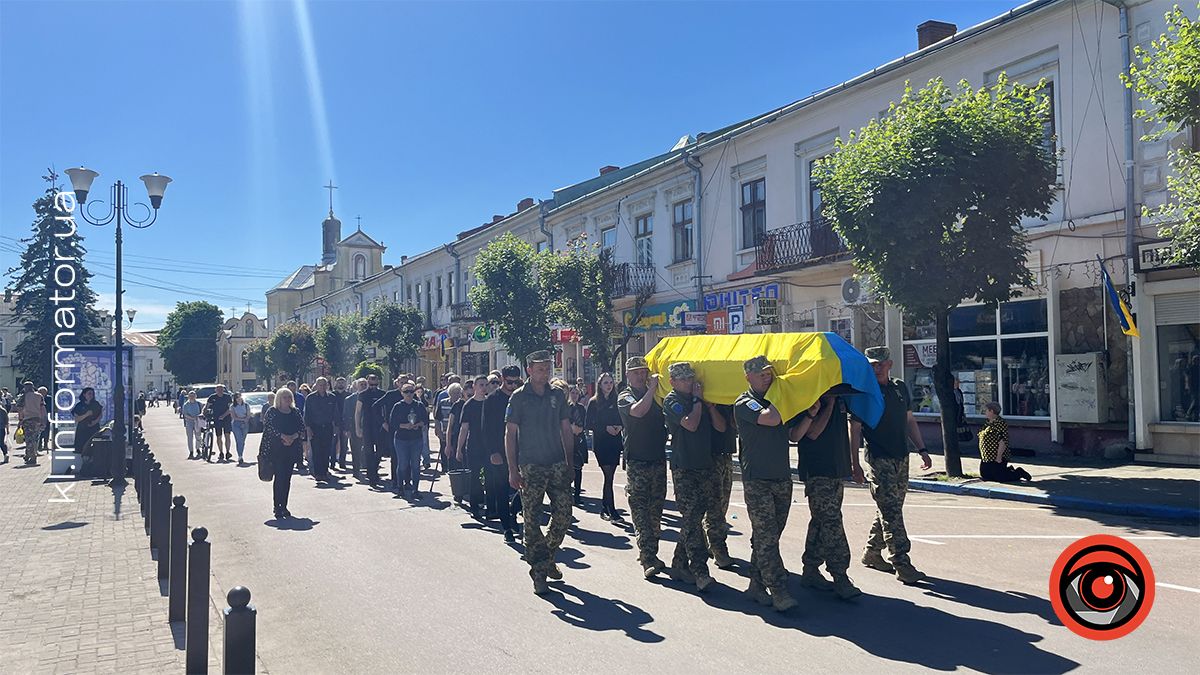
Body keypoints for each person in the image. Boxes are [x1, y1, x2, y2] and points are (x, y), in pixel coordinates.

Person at [735, 355, 816, 612]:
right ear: (748, 376)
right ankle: (778, 590)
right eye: (761, 373)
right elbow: (770, 419)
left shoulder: (777, 401)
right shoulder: (744, 402)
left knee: (769, 535)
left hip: (781, 477)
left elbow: (793, 435)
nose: (766, 376)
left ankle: (756, 584)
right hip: (757, 479)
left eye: (769, 372)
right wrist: (783, 392)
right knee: (767, 537)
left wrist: (810, 416)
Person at [849, 346, 932, 586]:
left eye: (880, 364)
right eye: (872, 364)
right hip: (879, 458)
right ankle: (901, 562)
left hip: (901, 456)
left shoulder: (899, 388)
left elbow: (909, 421)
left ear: (890, 364)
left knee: (890, 508)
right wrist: (854, 464)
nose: (876, 368)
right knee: (892, 511)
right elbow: (854, 430)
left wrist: (922, 449)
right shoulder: (863, 392)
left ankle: (872, 552)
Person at [506, 351, 574, 595]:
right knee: (532, 519)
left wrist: (570, 462)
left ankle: (545, 558)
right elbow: (510, 434)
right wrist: (512, 469)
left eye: (547, 369)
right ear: (529, 370)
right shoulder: (519, 397)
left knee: (564, 515)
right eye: (540, 369)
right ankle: (540, 571)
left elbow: (565, 428)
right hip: (531, 464)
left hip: (556, 462)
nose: (545, 373)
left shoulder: (557, 395)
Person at [797, 389, 863, 600]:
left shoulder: (841, 398)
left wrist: (853, 464)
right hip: (817, 470)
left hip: (836, 468)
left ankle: (810, 569)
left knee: (821, 521)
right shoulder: (809, 398)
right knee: (832, 522)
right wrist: (830, 405)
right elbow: (812, 433)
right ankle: (840, 575)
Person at [662, 362, 723, 592]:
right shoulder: (672, 401)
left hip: (704, 466)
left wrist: (710, 405)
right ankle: (700, 572)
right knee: (691, 520)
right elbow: (690, 424)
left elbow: (720, 427)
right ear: (673, 382)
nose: (689, 383)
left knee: (693, 519)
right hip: (684, 468)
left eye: (690, 378)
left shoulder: (700, 400)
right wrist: (698, 401)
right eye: (684, 379)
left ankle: (678, 564)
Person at [617, 356, 669, 579]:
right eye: (636, 372)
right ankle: (647, 558)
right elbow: (638, 411)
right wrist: (652, 390)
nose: (641, 375)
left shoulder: (656, 394)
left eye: (643, 371)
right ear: (628, 375)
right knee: (640, 511)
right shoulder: (625, 395)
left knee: (656, 510)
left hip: (657, 458)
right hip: (637, 461)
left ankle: (651, 553)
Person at [483, 366, 521, 541]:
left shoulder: (522, 397)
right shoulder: (492, 399)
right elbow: (486, 428)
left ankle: (513, 512)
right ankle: (506, 528)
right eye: (509, 382)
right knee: (501, 489)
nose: (513, 385)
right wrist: (492, 452)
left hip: (522, 450)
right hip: (499, 450)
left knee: (524, 487)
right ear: (503, 380)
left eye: (516, 382)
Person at [585, 372, 624, 522]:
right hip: (602, 442)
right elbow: (588, 424)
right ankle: (611, 510)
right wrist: (604, 428)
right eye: (606, 383)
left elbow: (623, 417)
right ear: (600, 385)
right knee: (608, 476)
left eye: (610, 382)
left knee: (610, 477)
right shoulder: (594, 402)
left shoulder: (617, 400)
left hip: (614, 442)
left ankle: (604, 507)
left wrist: (619, 426)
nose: (609, 385)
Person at [264, 387, 305, 519]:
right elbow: (269, 428)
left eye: (289, 397)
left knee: (287, 479)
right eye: (285, 397)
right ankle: (277, 506)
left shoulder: (295, 412)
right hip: (276, 450)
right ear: (279, 399)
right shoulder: (272, 412)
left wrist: (293, 437)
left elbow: (301, 427)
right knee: (279, 478)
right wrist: (282, 436)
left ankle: (284, 506)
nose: (287, 399)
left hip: (291, 449)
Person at [705, 402, 737, 569]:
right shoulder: (709, 401)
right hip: (712, 456)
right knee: (715, 508)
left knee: (722, 504)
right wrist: (712, 407)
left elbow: (734, 424)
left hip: (726, 455)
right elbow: (721, 427)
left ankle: (709, 544)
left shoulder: (730, 401)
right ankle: (718, 549)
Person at [456, 376, 490, 514]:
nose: (484, 387)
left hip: (489, 446)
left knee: (490, 476)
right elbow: (464, 428)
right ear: (474, 386)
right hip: (474, 445)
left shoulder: (490, 403)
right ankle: (474, 505)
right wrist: (459, 449)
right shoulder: (468, 405)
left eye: (486, 385)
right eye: (481, 385)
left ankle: (491, 506)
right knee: (475, 477)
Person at [386, 382, 427, 495]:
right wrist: (405, 426)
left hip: (416, 439)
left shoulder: (419, 405)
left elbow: (425, 420)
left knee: (415, 464)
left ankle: (415, 489)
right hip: (401, 439)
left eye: (411, 391)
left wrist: (418, 425)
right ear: (402, 393)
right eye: (406, 392)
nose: (409, 394)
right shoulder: (398, 406)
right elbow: (392, 423)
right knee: (402, 464)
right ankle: (400, 488)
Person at [977, 402, 1032, 482]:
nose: (985, 412)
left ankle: (1018, 472)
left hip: (997, 456)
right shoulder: (987, 423)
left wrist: (999, 457)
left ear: (991, 411)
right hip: (986, 456)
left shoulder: (1000, 423)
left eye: (986, 410)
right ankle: (1008, 470)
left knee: (1000, 478)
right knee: (986, 475)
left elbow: (1003, 441)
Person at [304, 377, 341, 482]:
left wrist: (336, 427)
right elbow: (307, 414)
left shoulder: (332, 397)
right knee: (316, 451)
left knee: (326, 451)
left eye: (324, 385)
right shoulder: (310, 398)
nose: (322, 387)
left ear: (327, 386)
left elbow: (336, 413)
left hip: (328, 427)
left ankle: (324, 472)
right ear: (316, 385)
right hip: (315, 428)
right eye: (320, 385)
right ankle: (318, 473)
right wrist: (308, 428)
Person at [372, 376, 406, 486]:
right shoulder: (391, 395)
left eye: (406, 382)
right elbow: (375, 406)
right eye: (401, 382)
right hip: (390, 429)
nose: (403, 384)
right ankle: (380, 477)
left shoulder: (410, 394)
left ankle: (405, 480)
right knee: (388, 454)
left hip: (406, 430)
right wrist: (383, 422)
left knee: (405, 456)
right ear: (397, 383)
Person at [355, 373, 387, 483]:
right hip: (367, 426)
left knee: (380, 450)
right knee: (368, 451)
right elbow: (358, 412)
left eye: (375, 384)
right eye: (371, 384)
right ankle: (371, 473)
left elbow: (386, 410)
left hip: (379, 426)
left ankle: (373, 468)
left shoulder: (382, 394)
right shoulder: (363, 394)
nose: (373, 386)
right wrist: (357, 427)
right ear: (368, 383)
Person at [567, 385, 589, 505]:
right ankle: (568, 494)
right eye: (572, 393)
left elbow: (585, 422)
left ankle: (577, 495)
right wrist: (571, 428)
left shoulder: (581, 408)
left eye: (576, 393)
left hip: (579, 438)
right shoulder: (566, 407)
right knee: (569, 467)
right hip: (569, 438)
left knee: (579, 468)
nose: (574, 395)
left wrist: (580, 429)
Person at [14, 382, 45, 464]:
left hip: (27, 420)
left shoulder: (23, 397)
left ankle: (32, 457)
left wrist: (20, 421)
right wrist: (43, 420)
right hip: (37, 419)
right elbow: (43, 409)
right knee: (35, 439)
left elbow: (20, 409)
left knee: (29, 439)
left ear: (25, 388)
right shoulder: (39, 396)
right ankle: (28, 454)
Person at [204, 384, 234, 462]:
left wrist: (224, 415)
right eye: (218, 389)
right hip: (216, 418)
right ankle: (221, 452)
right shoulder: (212, 397)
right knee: (219, 436)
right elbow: (207, 406)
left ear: (223, 390)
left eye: (221, 389)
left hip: (226, 418)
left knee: (227, 435)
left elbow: (230, 408)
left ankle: (227, 452)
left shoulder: (227, 397)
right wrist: (204, 413)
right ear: (215, 390)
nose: (219, 391)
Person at [342, 378, 365, 475]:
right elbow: (346, 415)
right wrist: (347, 429)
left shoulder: (369, 397)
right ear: (356, 386)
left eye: (365, 384)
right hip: (353, 427)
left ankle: (366, 466)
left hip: (367, 427)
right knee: (355, 449)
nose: (363, 386)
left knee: (367, 449)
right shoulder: (349, 399)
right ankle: (356, 469)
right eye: (361, 384)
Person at [71, 387, 103, 454]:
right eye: (89, 394)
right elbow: (77, 418)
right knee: (82, 447)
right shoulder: (79, 405)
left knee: (95, 447)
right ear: (84, 394)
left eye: (92, 394)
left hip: (94, 428)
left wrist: (94, 422)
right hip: (83, 429)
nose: (91, 395)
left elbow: (100, 415)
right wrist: (86, 414)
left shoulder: (96, 404)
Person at [331, 377, 350, 471]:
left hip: (345, 422)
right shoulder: (332, 395)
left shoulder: (348, 395)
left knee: (344, 443)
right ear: (336, 384)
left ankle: (342, 462)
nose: (341, 384)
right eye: (339, 383)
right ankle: (332, 462)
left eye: (343, 383)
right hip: (334, 422)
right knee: (333, 443)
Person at [181, 391, 203, 459]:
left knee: (198, 436)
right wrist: (192, 418)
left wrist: (199, 416)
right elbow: (185, 414)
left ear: (196, 396)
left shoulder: (199, 404)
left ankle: (198, 449)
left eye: (193, 396)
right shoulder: (186, 405)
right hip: (189, 422)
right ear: (188, 397)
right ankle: (191, 451)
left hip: (197, 422)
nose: (192, 397)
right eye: (190, 396)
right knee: (190, 437)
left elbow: (202, 411)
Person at [230, 392, 250, 464]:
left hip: (245, 424)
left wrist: (246, 420)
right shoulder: (232, 406)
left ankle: (241, 452)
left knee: (243, 441)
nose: (239, 399)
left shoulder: (246, 405)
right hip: (236, 424)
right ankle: (240, 456)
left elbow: (248, 415)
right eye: (237, 398)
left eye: (239, 397)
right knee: (239, 440)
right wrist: (242, 419)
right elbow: (234, 417)